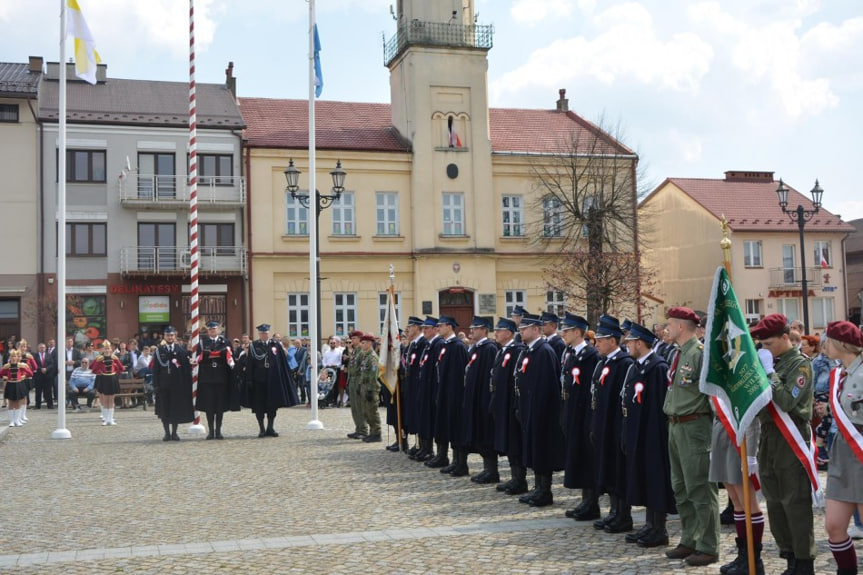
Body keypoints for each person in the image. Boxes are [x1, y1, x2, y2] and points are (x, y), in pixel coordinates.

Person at [751, 313, 816, 575]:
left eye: (768, 344)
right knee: (775, 502)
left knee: (794, 502)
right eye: (762, 345)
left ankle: (804, 562)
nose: (765, 349)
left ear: (785, 337)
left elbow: (787, 402)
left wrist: (768, 372)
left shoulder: (799, 365)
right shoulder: (774, 363)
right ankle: (789, 557)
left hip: (791, 437)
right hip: (768, 436)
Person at [663, 306, 719, 566]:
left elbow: (713, 396)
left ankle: (708, 545)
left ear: (682, 326)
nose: (667, 329)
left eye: (670, 324)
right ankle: (690, 539)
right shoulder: (679, 354)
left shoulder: (699, 354)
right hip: (675, 426)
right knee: (681, 487)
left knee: (699, 488)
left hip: (695, 426)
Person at [621, 322, 676, 548]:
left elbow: (659, 406)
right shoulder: (637, 366)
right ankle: (649, 524)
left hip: (653, 435)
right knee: (643, 478)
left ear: (641, 343)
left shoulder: (657, 368)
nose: (627, 345)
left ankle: (659, 528)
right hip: (637, 433)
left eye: (630, 342)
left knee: (655, 480)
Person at [817, 321, 863, 575]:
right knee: (834, 526)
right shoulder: (841, 373)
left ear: (840, 343)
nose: (824, 345)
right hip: (843, 452)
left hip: (861, 451)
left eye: (828, 340)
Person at [589, 315, 635, 531]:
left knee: (618, 471)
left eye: (601, 339)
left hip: (616, 427)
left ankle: (623, 514)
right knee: (607, 468)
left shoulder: (624, 363)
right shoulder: (604, 362)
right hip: (603, 425)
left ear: (613, 341)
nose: (596, 343)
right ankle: (614, 511)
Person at [513, 312, 564, 507]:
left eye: (524, 329)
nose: (521, 332)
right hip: (528, 409)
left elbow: (547, 386)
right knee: (533, 449)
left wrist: (540, 412)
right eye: (521, 329)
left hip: (541, 412)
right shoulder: (529, 350)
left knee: (542, 450)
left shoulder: (544, 351)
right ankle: (537, 488)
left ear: (536, 329)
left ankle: (545, 490)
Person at [560, 313, 601, 520]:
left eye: (566, 331)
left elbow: (590, 389)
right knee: (577, 457)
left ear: (578, 332)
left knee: (587, 459)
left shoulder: (590, 355)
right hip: (573, 412)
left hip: (584, 414)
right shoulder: (572, 354)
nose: (563, 334)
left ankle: (592, 503)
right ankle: (585, 500)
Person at [240, 323, 298, 438]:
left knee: (272, 405)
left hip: (273, 380)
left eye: (266, 333)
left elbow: (281, 362)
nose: (264, 335)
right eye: (262, 333)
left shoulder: (275, 344)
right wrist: (249, 379)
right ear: (259, 334)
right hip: (258, 380)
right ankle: (261, 429)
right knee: (259, 406)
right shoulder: (254, 346)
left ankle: (270, 427)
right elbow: (250, 363)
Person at [490, 317, 527, 495]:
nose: (496, 333)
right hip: (502, 403)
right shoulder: (503, 351)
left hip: (511, 405)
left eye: (500, 330)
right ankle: (514, 477)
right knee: (509, 442)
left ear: (509, 333)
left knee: (514, 442)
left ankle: (520, 479)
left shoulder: (516, 351)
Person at [459, 316, 499, 482]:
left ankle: (492, 470)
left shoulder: (488, 348)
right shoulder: (476, 348)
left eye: (475, 328)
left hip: (483, 399)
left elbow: (488, 378)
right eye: (471, 328)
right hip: (474, 398)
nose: (471, 331)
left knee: (486, 434)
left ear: (484, 330)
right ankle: (486, 469)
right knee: (479, 435)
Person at [432, 315, 470, 473]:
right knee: (449, 427)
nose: (438, 328)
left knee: (457, 427)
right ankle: (454, 461)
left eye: (440, 325)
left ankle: (461, 463)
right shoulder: (446, 345)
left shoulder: (458, 346)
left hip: (455, 395)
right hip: (445, 393)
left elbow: (461, 374)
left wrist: (456, 395)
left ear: (449, 327)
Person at [150, 327, 195, 441]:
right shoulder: (159, 351)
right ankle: (166, 433)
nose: (170, 337)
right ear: (164, 336)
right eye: (167, 335)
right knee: (164, 409)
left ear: (175, 336)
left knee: (176, 409)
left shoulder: (181, 350)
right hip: (163, 384)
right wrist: (155, 384)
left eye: (172, 335)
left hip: (177, 384)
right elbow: (155, 369)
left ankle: (174, 433)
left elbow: (185, 368)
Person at [194, 321, 236, 440]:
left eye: (214, 329)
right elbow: (198, 358)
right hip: (207, 378)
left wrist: (212, 355)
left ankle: (218, 431)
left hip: (221, 378)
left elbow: (230, 358)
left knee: (220, 406)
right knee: (209, 406)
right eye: (210, 329)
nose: (213, 331)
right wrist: (214, 355)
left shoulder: (225, 342)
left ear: (218, 330)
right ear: (208, 331)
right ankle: (211, 431)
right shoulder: (202, 343)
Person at [413, 317, 443, 462]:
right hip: (424, 387)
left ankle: (433, 451)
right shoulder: (429, 345)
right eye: (423, 328)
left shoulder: (437, 344)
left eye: (427, 328)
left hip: (431, 388)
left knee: (431, 420)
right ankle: (425, 448)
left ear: (435, 329)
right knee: (424, 419)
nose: (424, 330)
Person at [402, 317, 428, 456]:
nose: (408, 330)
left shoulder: (423, 343)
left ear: (417, 328)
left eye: (410, 327)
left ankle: (424, 446)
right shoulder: (413, 344)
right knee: (414, 415)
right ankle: (418, 444)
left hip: (418, 385)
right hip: (411, 385)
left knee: (420, 416)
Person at [357, 333, 382, 443]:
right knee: (366, 411)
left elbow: (374, 375)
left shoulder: (372, 357)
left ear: (370, 343)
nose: (362, 345)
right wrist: (359, 385)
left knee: (372, 411)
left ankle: (377, 433)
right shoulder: (365, 356)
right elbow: (362, 372)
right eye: (361, 343)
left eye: (364, 343)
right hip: (364, 386)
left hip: (370, 387)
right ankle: (372, 432)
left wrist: (371, 390)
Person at [91, 341, 124, 425]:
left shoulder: (114, 357)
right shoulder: (99, 358)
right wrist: (100, 372)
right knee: (105, 399)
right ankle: (106, 419)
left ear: (111, 349)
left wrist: (116, 371)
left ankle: (110, 419)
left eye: (108, 348)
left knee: (111, 399)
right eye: (105, 348)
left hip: (112, 378)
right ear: (103, 349)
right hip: (104, 378)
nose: (107, 350)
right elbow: (94, 369)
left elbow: (121, 368)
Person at [345, 330, 368, 439]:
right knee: (354, 407)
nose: (352, 341)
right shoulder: (354, 351)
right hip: (353, 380)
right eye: (351, 339)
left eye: (354, 338)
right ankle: (358, 429)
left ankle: (363, 430)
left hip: (358, 380)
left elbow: (362, 369)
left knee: (360, 407)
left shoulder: (362, 351)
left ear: (360, 339)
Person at [2, 349, 33, 426]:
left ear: (17, 357)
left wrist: (24, 375)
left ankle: (17, 420)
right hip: (10, 384)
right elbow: (1, 373)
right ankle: (12, 421)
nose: (13, 357)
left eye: (15, 356)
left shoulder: (21, 365)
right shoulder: (7, 366)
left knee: (18, 403)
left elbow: (30, 373)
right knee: (11, 403)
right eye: (12, 356)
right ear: (10, 357)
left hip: (18, 384)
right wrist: (5, 377)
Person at [33, 342, 57, 409]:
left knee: (48, 391)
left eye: (43, 347)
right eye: (40, 347)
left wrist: (46, 369)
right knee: (38, 392)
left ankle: (50, 405)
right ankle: (37, 405)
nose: (42, 349)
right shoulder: (35, 356)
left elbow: (52, 364)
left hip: (47, 376)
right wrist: (41, 369)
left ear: (45, 348)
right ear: (38, 348)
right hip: (39, 376)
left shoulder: (49, 355)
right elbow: (34, 365)